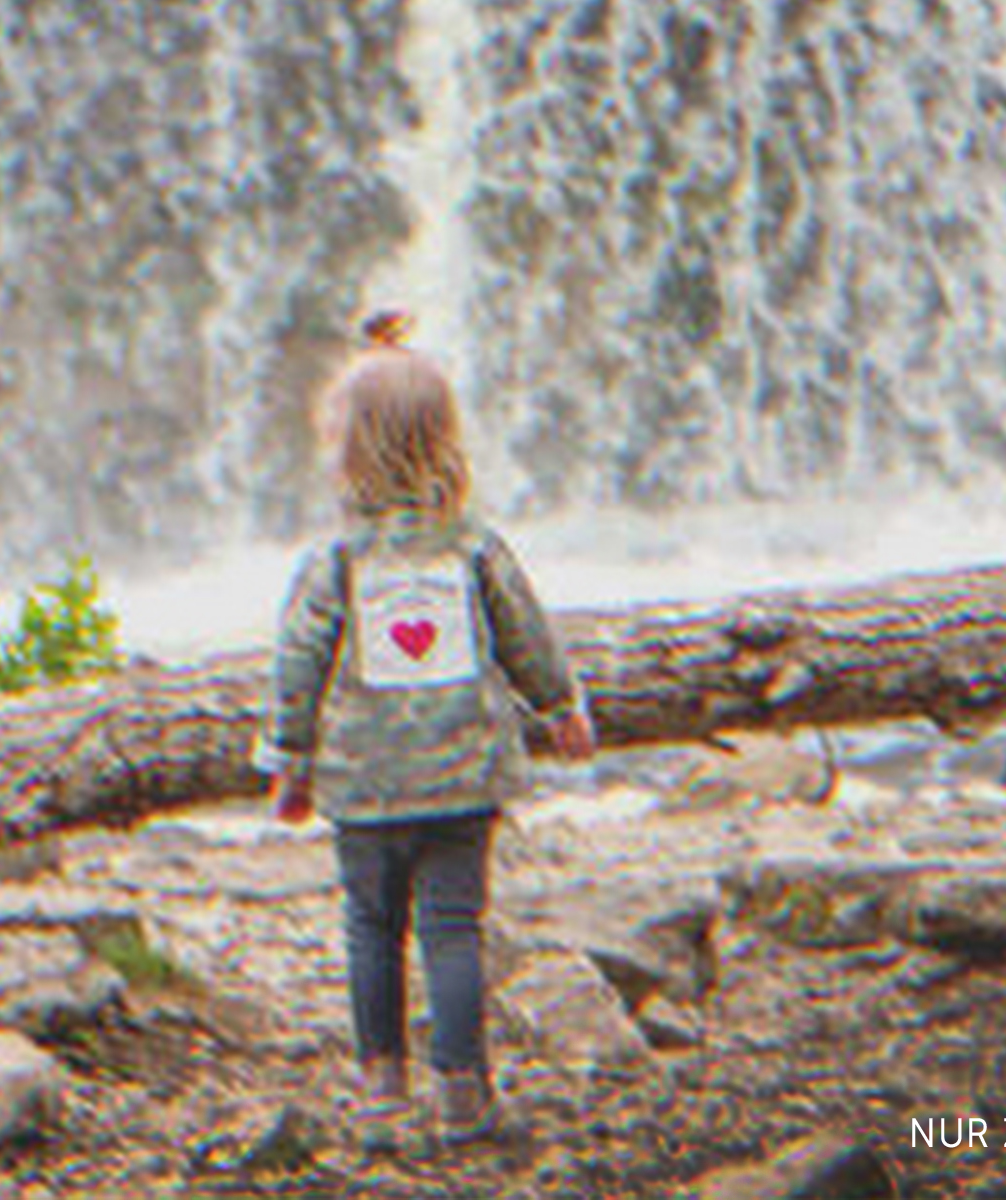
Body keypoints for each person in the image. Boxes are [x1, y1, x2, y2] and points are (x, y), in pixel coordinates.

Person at [254, 310, 595, 1150]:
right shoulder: (473, 545)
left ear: (345, 450)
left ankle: (380, 1086)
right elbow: (526, 634)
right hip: (462, 778)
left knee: (370, 927)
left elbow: (297, 665)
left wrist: (288, 762)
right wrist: (561, 709)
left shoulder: (335, 560)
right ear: (445, 442)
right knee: (453, 929)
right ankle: (464, 1089)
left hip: (364, 784)